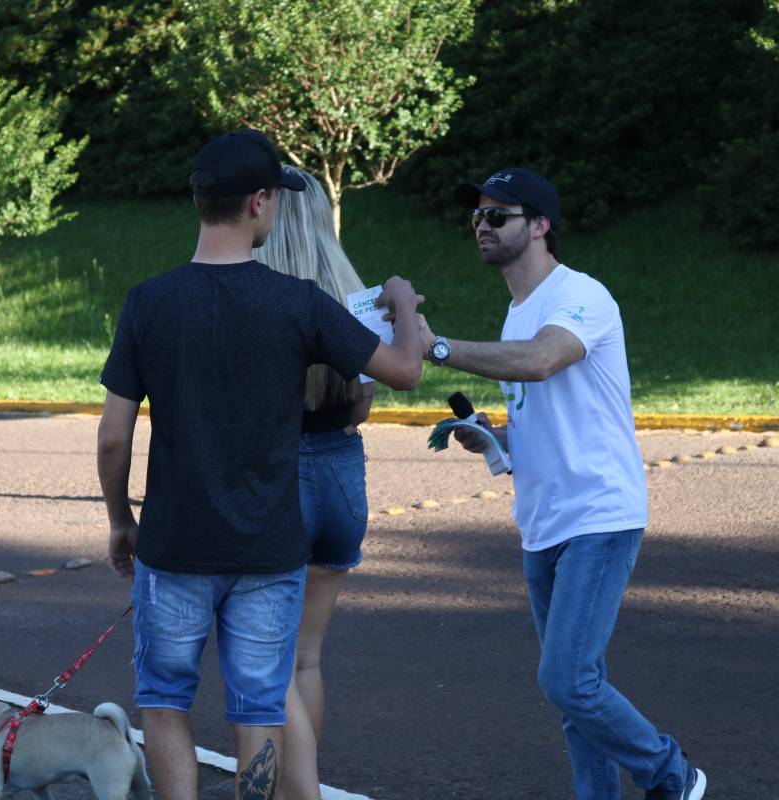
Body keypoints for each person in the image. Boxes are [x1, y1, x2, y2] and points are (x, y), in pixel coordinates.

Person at [97, 129, 424, 800]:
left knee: (164, 700)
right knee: (258, 707)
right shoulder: (298, 303)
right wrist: (406, 302)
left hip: (175, 544)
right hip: (268, 551)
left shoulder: (148, 303)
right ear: (259, 202)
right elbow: (405, 371)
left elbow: (112, 438)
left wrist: (121, 520)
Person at [415, 167, 705, 800]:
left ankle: (672, 774)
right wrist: (494, 437)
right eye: (477, 216)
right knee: (577, 694)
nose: (482, 226)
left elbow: (542, 360)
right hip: (542, 522)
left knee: (568, 680)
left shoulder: (581, 295)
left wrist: (436, 348)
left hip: (597, 516)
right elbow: (542, 419)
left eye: (498, 215)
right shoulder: (516, 315)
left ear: (541, 224)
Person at [251, 165, 373, 799]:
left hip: (282, 477)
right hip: (342, 474)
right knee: (307, 660)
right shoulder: (355, 295)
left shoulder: (259, 295)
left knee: (263, 667)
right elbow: (363, 404)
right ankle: (299, 783)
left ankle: (298, 793)